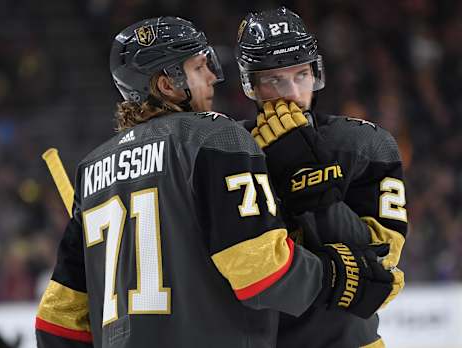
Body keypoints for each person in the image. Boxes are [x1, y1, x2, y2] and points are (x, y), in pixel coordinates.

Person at [35, 16, 402, 348]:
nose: (213, 75)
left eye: (301, 74)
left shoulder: (93, 167)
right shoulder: (216, 138)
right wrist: (338, 274)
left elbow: (57, 323)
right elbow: (260, 272)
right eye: (200, 67)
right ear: (168, 84)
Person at [235, 7, 407, 348]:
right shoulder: (228, 151)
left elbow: (379, 264)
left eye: (301, 75)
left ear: (316, 74)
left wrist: (306, 176)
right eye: (274, 80)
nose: (292, 93)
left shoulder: (365, 144)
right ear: (250, 85)